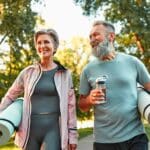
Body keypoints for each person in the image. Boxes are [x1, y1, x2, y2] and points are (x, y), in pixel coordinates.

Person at [0, 29, 78, 150]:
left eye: (46, 42)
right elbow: (10, 96)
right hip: (29, 130)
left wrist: (72, 135)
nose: (42, 46)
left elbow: (71, 106)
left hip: (54, 130)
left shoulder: (65, 74)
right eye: (39, 43)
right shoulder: (27, 73)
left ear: (55, 46)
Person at [78, 20, 150, 150]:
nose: (92, 39)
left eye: (96, 35)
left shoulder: (132, 62)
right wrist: (89, 99)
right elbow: (82, 105)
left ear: (111, 36)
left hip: (135, 136)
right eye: (90, 37)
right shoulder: (87, 70)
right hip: (104, 141)